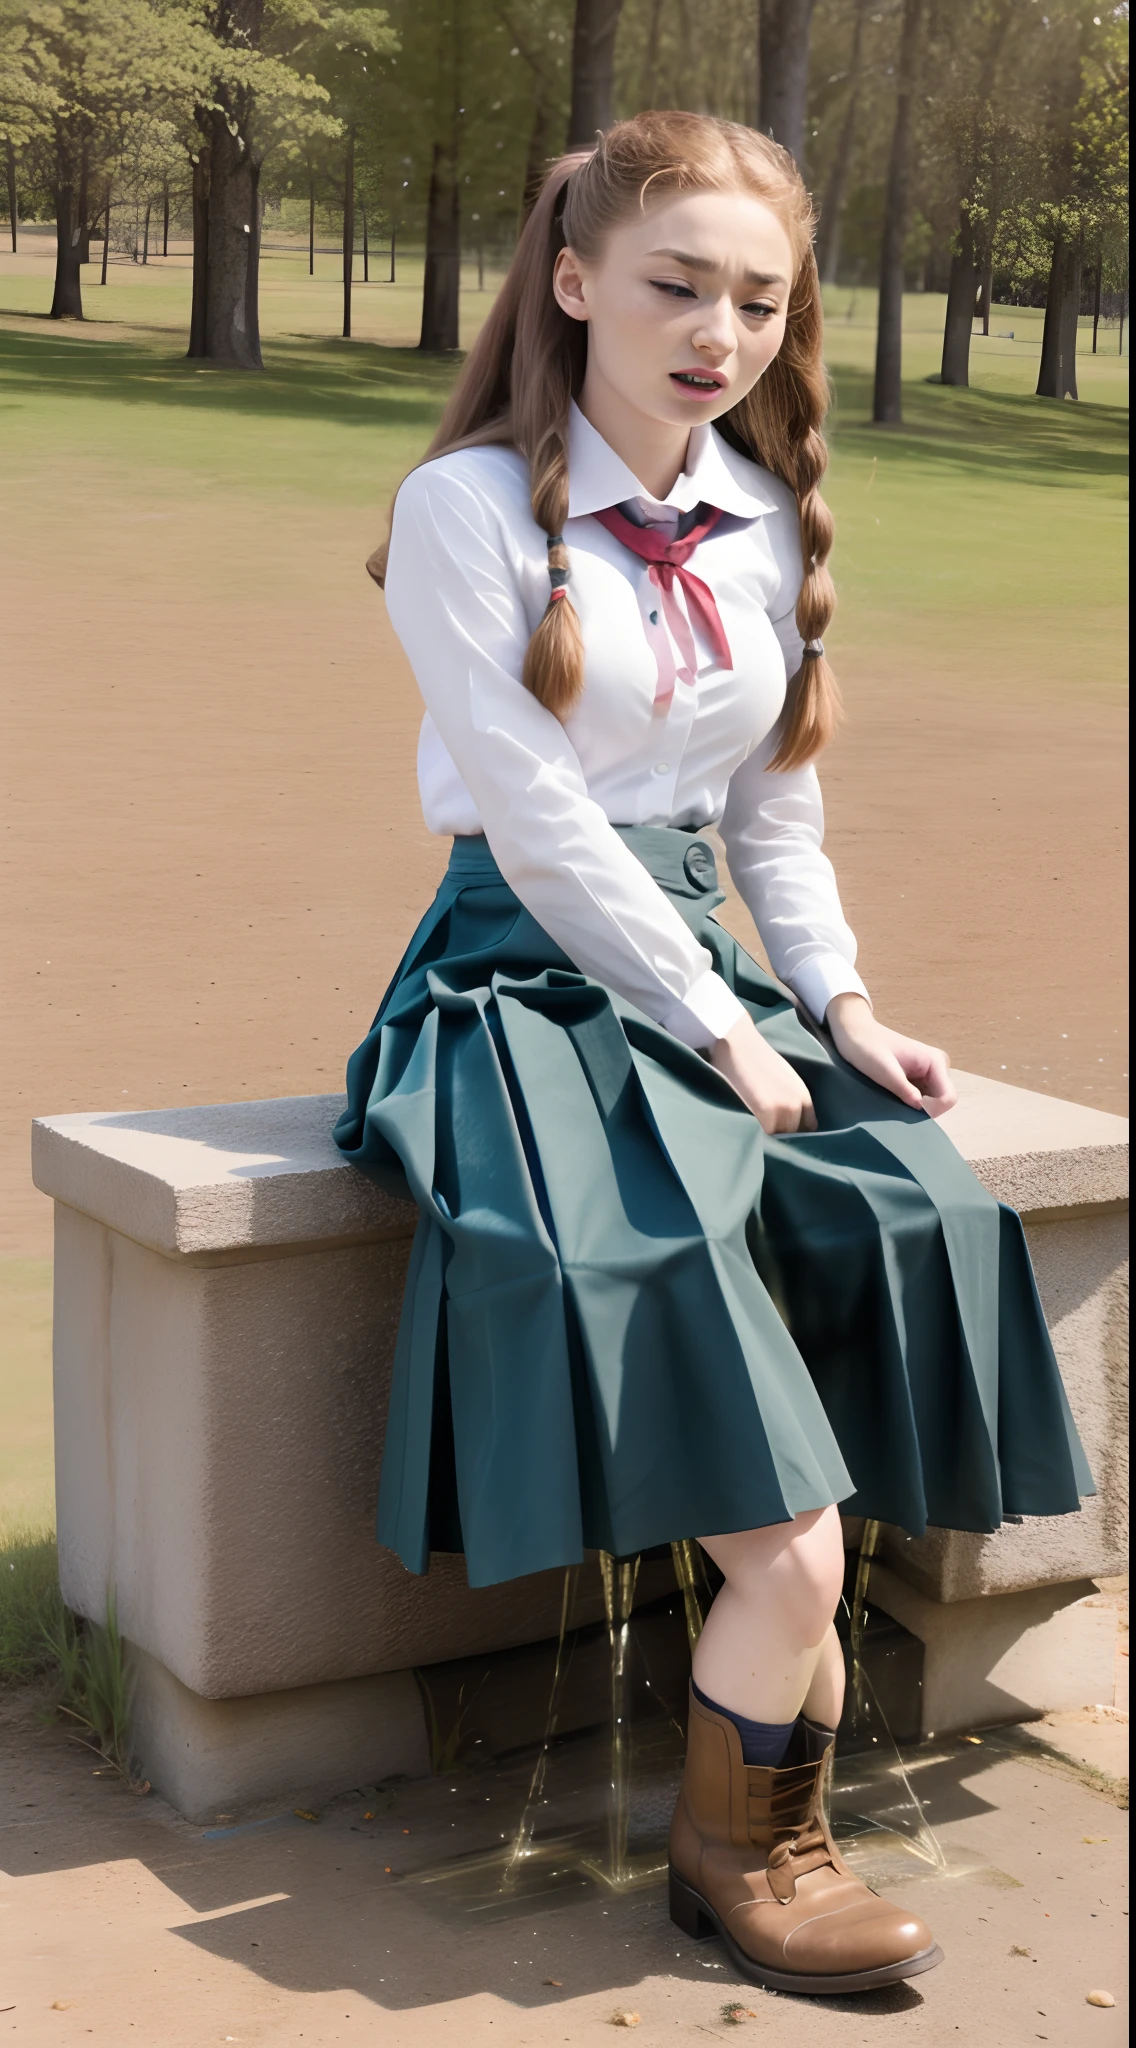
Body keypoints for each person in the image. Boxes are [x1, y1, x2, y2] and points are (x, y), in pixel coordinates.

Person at [335, 112, 1091, 1996]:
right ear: (576, 281)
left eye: (760, 297)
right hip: (526, 981)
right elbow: (537, 819)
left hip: (716, 979)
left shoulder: (761, 513)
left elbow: (771, 830)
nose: (719, 331)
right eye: (676, 284)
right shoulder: (466, 513)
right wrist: (701, 1020)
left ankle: (760, 1781)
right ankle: (743, 1847)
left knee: (911, 1194)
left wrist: (834, 1009)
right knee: (677, 1322)